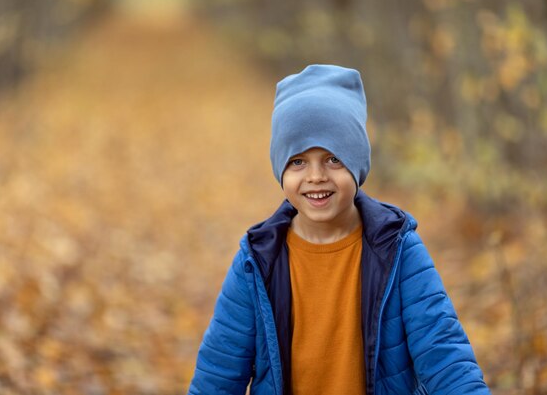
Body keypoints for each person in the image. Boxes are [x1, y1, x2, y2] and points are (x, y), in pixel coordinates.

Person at [187, 64, 491, 395]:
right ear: (281, 170)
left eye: (333, 159)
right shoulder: (258, 261)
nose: (316, 176)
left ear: (357, 164)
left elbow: (444, 354)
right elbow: (218, 372)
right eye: (298, 161)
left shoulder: (397, 248)